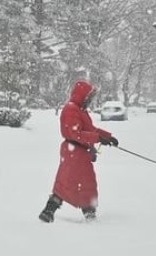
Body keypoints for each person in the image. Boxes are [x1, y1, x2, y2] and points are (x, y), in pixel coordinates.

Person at [38, 80, 119, 223]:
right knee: (66, 183)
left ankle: (88, 212)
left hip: (80, 153)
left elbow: (90, 130)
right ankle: (49, 211)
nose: (90, 100)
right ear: (82, 95)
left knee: (86, 183)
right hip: (73, 152)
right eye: (89, 97)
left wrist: (107, 137)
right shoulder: (71, 109)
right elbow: (74, 133)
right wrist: (97, 138)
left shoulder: (80, 110)